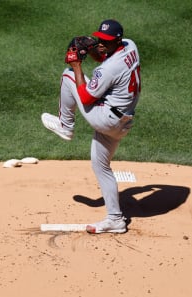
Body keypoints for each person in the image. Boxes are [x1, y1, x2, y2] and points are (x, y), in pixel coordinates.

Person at [41, 19, 142, 234]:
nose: (100, 43)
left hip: (106, 119)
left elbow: (86, 97)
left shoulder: (109, 69)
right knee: (100, 165)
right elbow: (105, 55)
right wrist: (92, 49)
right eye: (99, 39)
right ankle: (115, 220)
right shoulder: (130, 45)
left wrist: (76, 64)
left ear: (116, 40)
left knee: (68, 75)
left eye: (105, 41)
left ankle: (66, 125)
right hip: (123, 123)